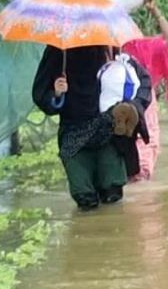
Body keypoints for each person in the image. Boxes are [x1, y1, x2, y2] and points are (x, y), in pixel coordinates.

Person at [32, 45, 152, 211]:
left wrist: (133, 107)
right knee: (85, 198)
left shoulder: (108, 44)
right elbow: (41, 93)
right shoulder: (59, 50)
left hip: (108, 131)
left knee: (113, 194)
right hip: (74, 134)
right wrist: (57, 94)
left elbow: (143, 82)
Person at [121, 0, 168, 182]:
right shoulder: (113, 49)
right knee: (143, 140)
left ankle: (138, 180)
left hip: (136, 102)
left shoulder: (141, 46)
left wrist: (155, 11)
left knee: (143, 140)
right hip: (131, 102)